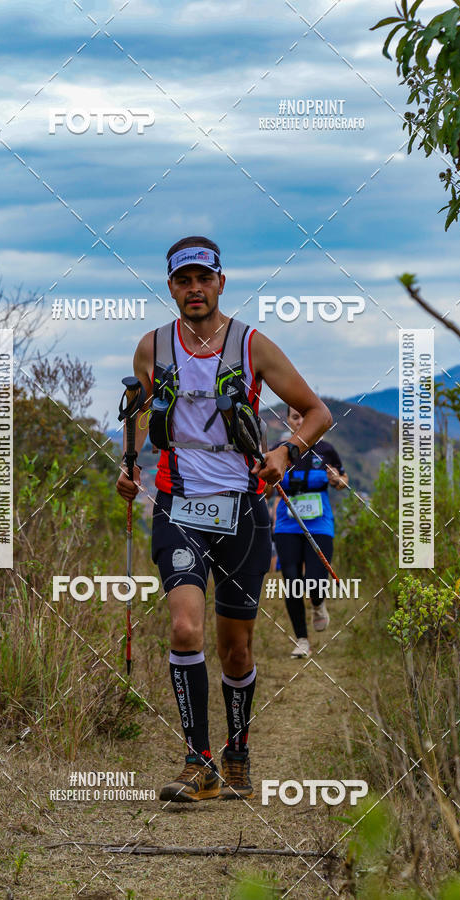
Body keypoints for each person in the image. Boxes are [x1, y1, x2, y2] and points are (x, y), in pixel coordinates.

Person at [116, 236, 332, 803]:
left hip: (244, 510)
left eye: (203, 279)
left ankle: (237, 749)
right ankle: (199, 762)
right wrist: (129, 464)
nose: (194, 290)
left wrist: (285, 453)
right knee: (185, 628)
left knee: (236, 648)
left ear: (220, 282)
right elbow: (137, 410)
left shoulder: (252, 345)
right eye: (183, 281)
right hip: (177, 506)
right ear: (170, 287)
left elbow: (318, 412)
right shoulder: (152, 346)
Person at [271, 406, 348, 659]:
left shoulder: (326, 451)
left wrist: (337, 479)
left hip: (319, 524)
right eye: (295, 417)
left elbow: (342, 480)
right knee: (292, 581)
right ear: (289, 421)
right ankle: (302, 640)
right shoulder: (279, 449)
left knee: (315, 580)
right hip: (287, 523)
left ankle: (317, 603)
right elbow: (268, 485)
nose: (301, 421)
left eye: (305, 415)